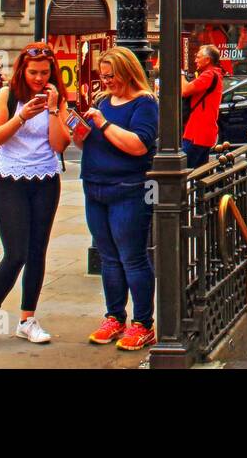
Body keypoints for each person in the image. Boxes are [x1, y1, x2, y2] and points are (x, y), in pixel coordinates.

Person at [0, 43, 71, 348]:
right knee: (15, 253)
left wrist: (52, 109)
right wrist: (22, 117)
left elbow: (60, 144)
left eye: (45, 72)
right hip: (10, 179)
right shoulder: (7, 95)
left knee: (37, 252)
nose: (39, 78)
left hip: (46, 179)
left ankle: (27, 319)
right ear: (22, 70)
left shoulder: (56, 99)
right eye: (33, 72)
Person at [78, 47, 160, 352]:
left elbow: (139, 145)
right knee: (108, 257)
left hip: (129, 188)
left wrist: (103, 124)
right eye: (103, 75)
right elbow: (91, 141)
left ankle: (143, 324)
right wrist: (79, 132)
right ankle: (114, 317)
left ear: (127, 72)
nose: (107, 81)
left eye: (112, 75)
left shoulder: (145, 103)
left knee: (132, 257)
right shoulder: (103, 101)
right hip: (95, 186)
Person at [180, 45, 222, 169]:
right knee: (199, 172)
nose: (195, 60)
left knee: (185, 169)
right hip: (202, 133)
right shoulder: (214, 74)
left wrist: (180, 74)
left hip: (197, 133)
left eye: (198, 57)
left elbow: (185, 90)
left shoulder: (209, 74)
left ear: (207, 60)